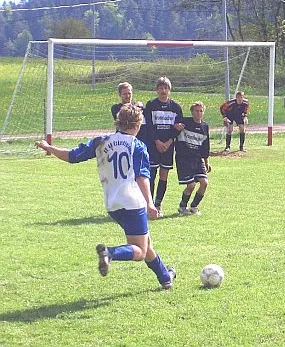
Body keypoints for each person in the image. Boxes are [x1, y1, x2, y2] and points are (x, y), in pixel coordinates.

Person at [35, 103, 176, 289]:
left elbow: (71, 156)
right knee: (140, 251)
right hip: (133, 202)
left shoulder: (101, 141)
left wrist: (48, 147)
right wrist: (150, 204)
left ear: (118, 122)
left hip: (112, 204)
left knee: (146, 244)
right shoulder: (138, 145)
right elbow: (142, 176)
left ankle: (166, 278)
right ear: (138, 124)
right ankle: (110, 253)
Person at [144, 77, 183, 217]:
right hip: (154, 146)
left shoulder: (176, 107)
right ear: (157, 90)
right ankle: (148, 205)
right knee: (151, 175)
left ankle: (158, 204)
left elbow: (179, 126)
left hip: (168, 146)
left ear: (169, 90)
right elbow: (149, 126)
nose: (163, 91)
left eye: (166, 88)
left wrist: (168, 141)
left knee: (164, 175)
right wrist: (157, 141)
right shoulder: (151, 105)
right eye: (160, 88)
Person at [174, 102, 211, 216]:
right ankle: (182, 206)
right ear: (192, 112)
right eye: (196, 110)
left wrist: (206, 161)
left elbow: (205, 145)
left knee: (204, 182)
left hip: (197, 159)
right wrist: (175, 127)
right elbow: (174, 129)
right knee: (191, 185)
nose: (199, 113)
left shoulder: (205, 126)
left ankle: (194, 206)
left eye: (201, 111)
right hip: (184, 158)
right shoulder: (185, 122)